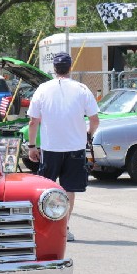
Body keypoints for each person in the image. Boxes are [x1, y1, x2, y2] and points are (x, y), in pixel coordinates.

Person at [27, 52, 100, 242]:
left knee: (45, 189)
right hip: (75, 147)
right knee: (69, 189)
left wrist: (32, 146)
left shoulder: (42, 89)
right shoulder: (82, 89)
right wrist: (88, 135)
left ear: (54, 69)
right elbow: (94, 119)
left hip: (51, 148)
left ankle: (43, 228)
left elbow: (33, 122)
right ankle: (64, 228)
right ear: (70, 68)